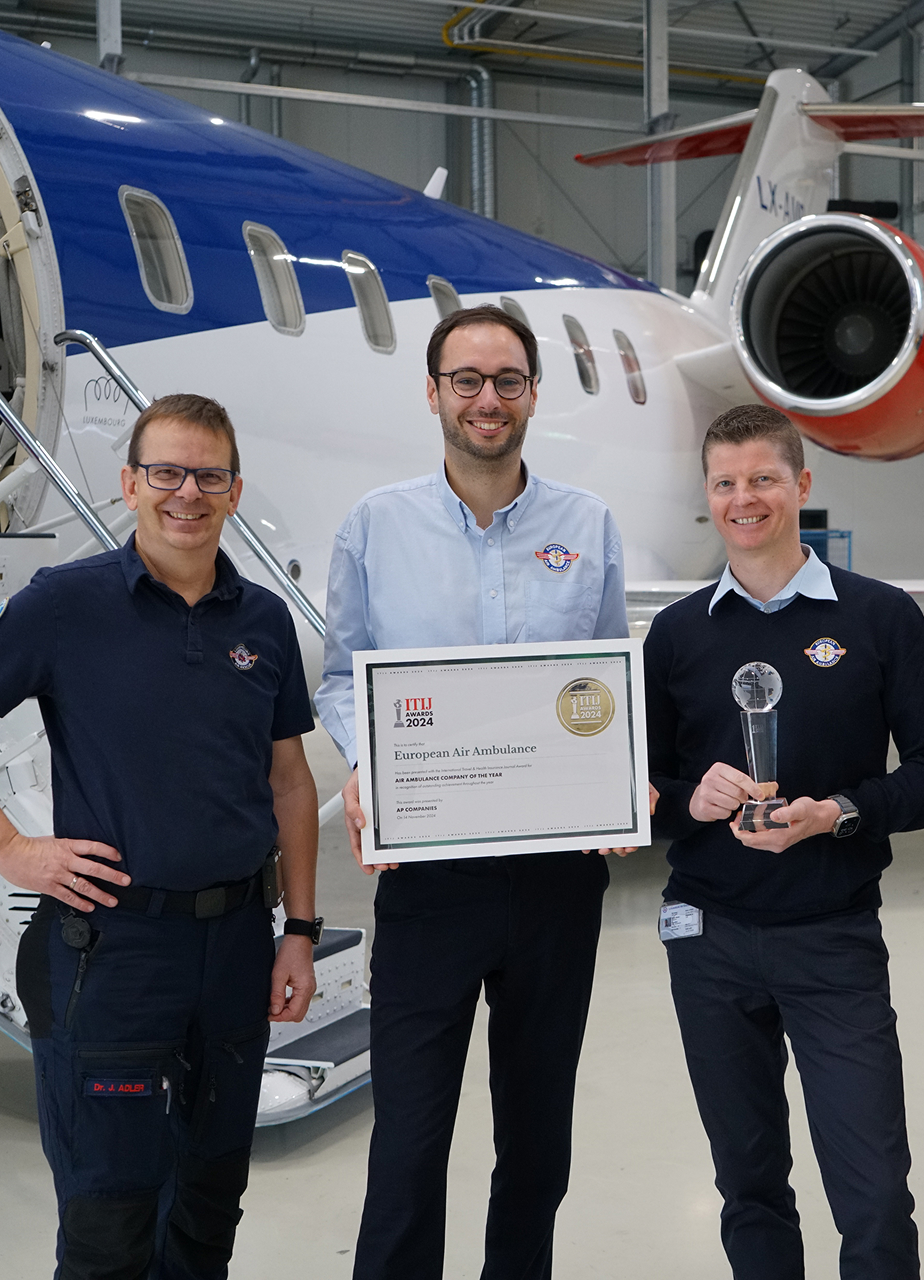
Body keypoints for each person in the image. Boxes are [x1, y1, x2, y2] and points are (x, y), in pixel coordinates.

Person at [316, 304, 630, 1280]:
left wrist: (615, 783)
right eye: (466, 379)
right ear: (433, 392)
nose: (486, 399)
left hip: (553, 884)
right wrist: (370, 765)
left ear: (533, 392)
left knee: (536, 1140)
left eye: (506, 380)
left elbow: (605, 679)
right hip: (428, 879)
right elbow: (339, 675)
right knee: (408, 1143)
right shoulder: (375, 524)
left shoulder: (589, 524)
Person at [0, 393, 319, 1279]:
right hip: (114, 950)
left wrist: (299, 932)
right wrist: (15, 851)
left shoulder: (262, 621)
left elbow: (289, 779)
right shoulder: (65, 606)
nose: (187, 493)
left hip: (238, 946)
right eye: (166, 472)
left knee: (210, 1204)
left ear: (235, 491)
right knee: (110, 1217)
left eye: (208, 475)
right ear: (130, 484)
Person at [643, 403, 924, 1279]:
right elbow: (640, 796)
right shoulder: (676, 634)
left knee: (872, 1194)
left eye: (763, 478)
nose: (743, 498)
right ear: (707, 494)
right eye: (725, 482)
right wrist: (692, 798)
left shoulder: (878, 616)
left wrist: (843, 813)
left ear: (802, 485)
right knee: (748, 1186)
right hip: (707, 945)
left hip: (834, 940)